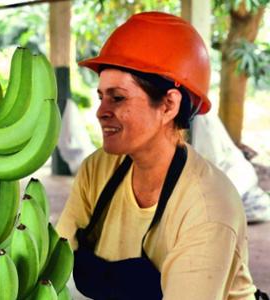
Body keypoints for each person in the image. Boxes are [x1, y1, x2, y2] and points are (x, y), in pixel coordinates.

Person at [56, 11, 267, 299]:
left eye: (117, 97)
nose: (101, 112)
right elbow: (57, 260)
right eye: (100, 97)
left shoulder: (206, 206)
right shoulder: (98, 169)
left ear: (168, 105)